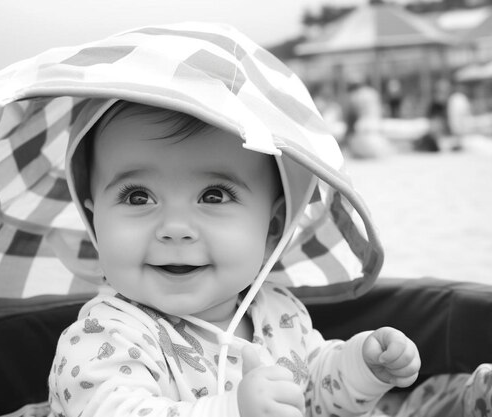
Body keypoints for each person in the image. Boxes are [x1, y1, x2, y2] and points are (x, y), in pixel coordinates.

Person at [47, 25, 420, 417]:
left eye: (214, 196)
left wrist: (360, 369)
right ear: (94, 222)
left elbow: (312, 395)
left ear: (273, 229)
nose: (175, 227)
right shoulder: (104, 336)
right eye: (138, 197)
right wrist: (233, 410)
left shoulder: (279, 313)